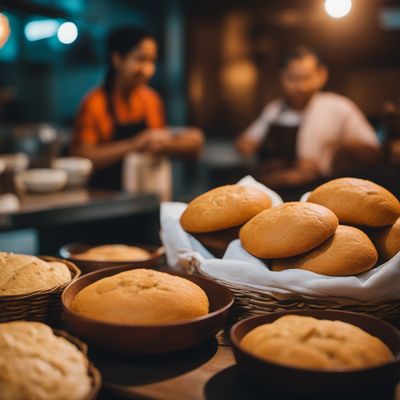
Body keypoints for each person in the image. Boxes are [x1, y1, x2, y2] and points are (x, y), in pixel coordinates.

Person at [71, 26, 203, 189]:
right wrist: (134, 144)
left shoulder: (151, 99)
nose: (148, 70)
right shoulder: (95, 103)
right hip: (103, 197)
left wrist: (167, 143)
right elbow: (83, 157)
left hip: (144, 193)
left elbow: (160, 142)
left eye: (152, 61)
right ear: (117, 58)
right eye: (140, 59)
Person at [235, 46, 381, 188]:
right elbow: (246, 143)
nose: (300, 86)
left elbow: (373, 152)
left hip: (322, 188)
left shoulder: (339, 107)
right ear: (282, 77)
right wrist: (254, 155)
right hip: (277, 188)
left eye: (306, 78)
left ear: (322, 75)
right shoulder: (274, 110)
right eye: (293, 78)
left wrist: (332, 155)